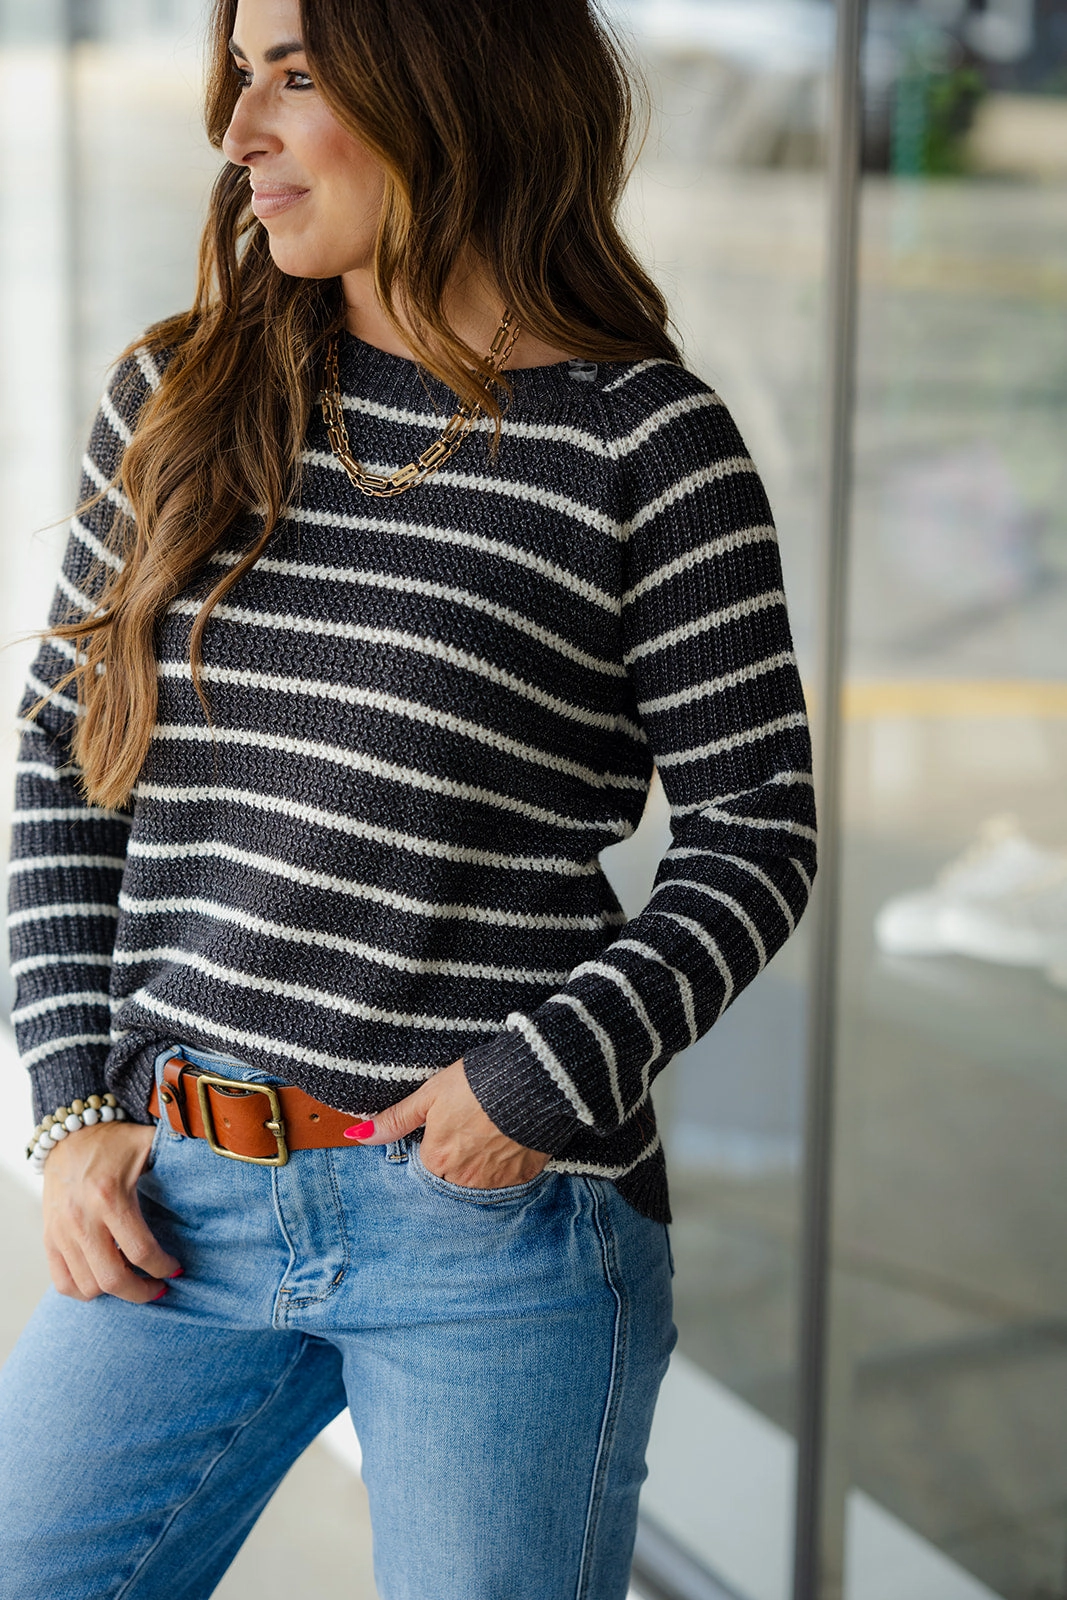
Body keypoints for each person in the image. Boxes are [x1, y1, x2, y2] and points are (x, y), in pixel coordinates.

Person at [0, 0, 816, 1595]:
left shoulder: (644, 446)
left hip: (486, 1232)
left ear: (452, 89)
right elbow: (58, 754)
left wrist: (540, 1079)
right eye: (240, 77)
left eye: (294, 79)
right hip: (185, 1207)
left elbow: (754, 838)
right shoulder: (177, 401)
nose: (238, 135)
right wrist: (69, 1103)